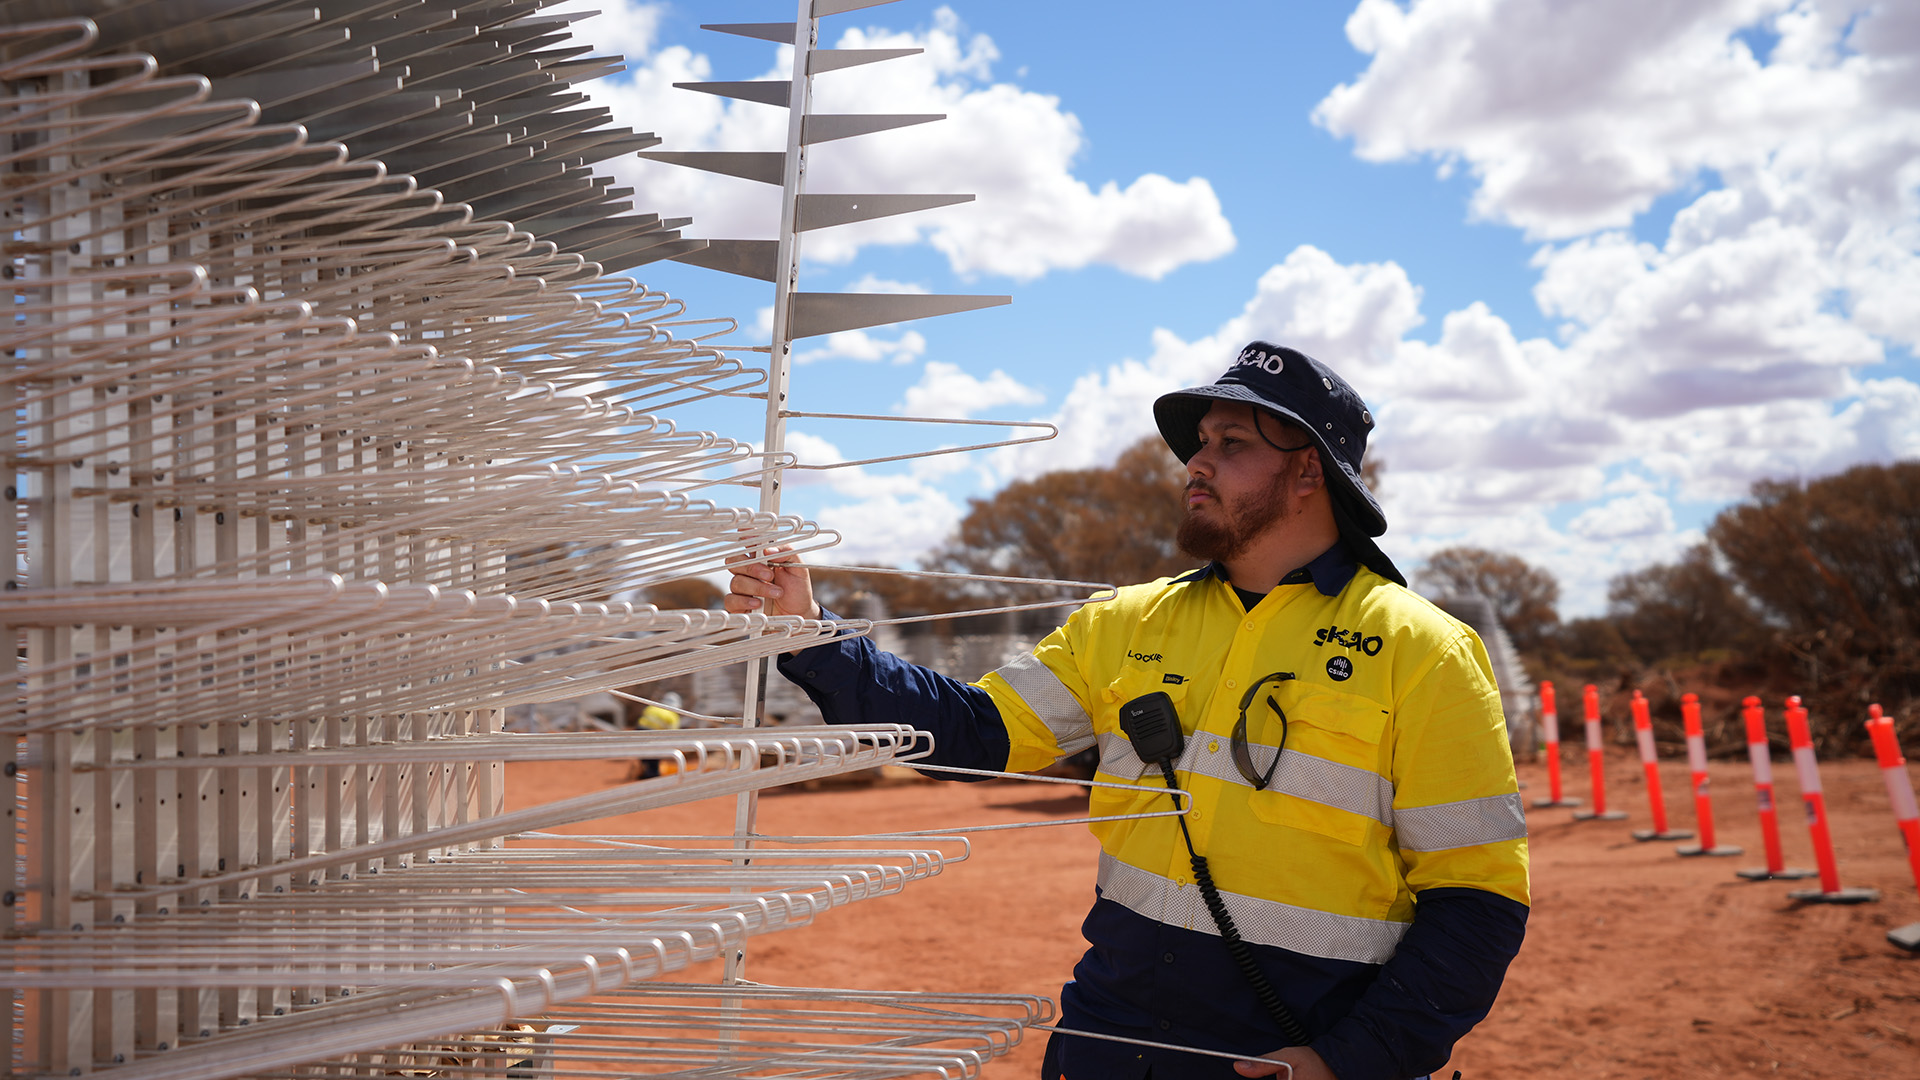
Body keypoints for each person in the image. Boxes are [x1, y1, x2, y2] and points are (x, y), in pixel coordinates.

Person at [725, 342, 1529, 1080]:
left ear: (1310, 472)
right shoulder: (1124, 623)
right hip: (1108, 1041)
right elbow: (978, 731)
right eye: (1199, 444)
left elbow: (1478, 900)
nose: (1196, 463)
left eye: (1232, 444)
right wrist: (814, 637)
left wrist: (1352, 1060)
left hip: (1286, 1055)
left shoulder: (1427, 651)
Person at [632, 691, 683, 780]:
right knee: (655, 754)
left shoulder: (652, 707)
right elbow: (673, 734)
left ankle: (644, 769)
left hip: (639, 731)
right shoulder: (673, 716)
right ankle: (653, 774)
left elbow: (642, 718)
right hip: (653, 734)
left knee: (643, 753)